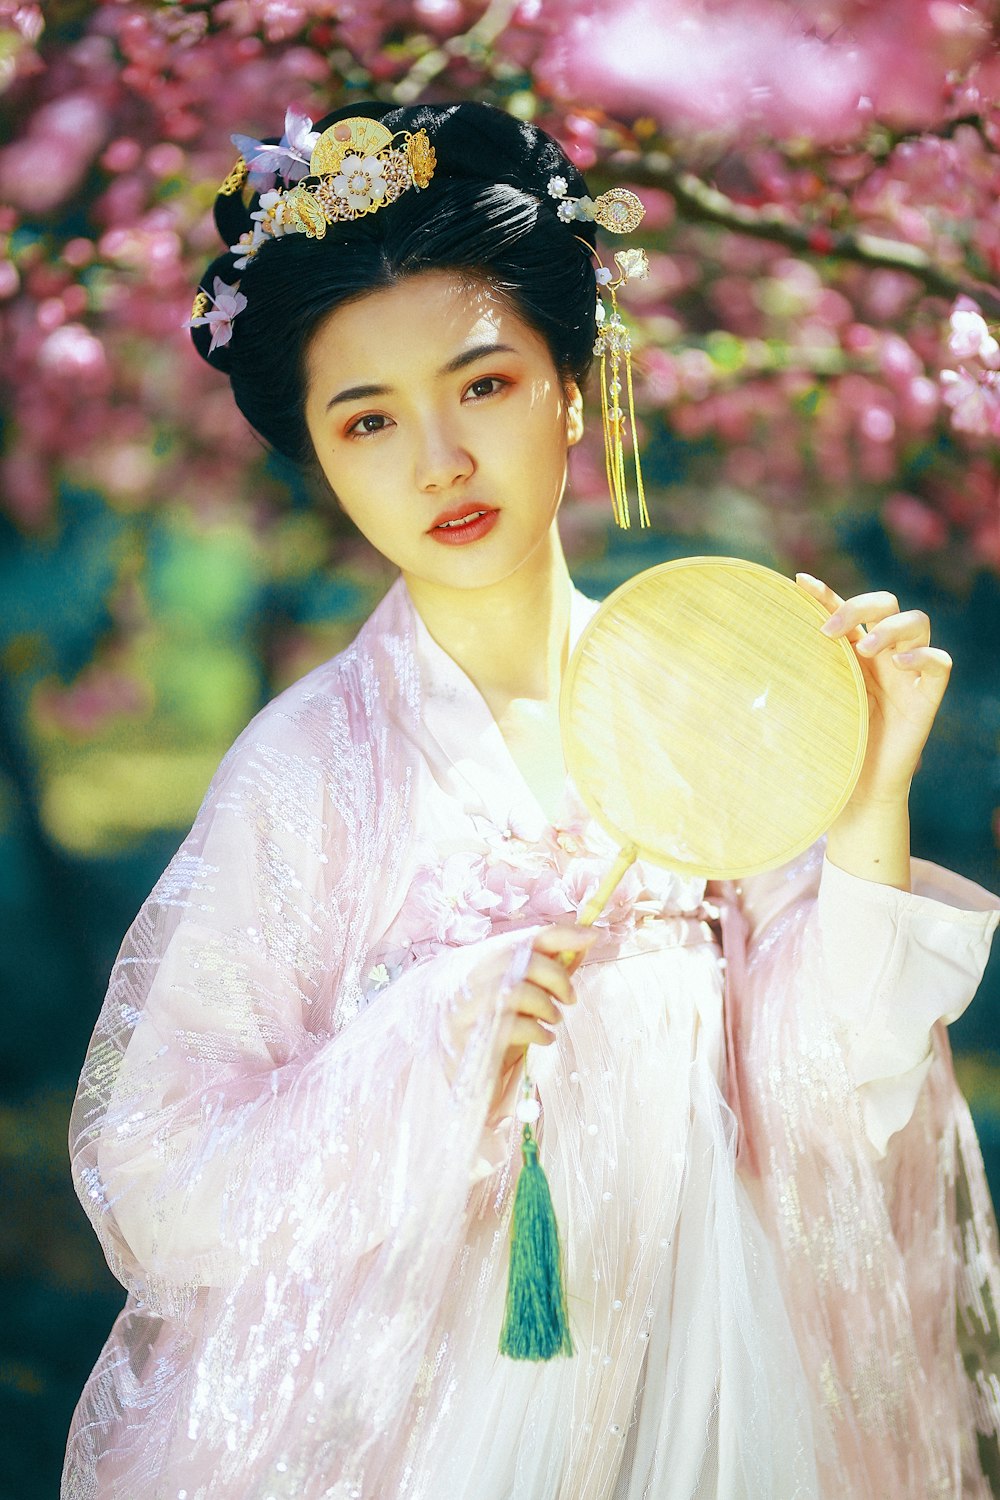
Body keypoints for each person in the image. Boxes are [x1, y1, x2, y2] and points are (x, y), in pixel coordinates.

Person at [62, 100, 1000, 1500]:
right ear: (320, 458)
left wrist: (867, 801)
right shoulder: (311, 767)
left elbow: (833, 1095)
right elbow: (160, 1182)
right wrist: (437, 1044)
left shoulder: (697, 692)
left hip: (720, 1369)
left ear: (573, 384)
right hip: (435, 1409)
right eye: (368, 419)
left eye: (483, 385)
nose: (436, 458)